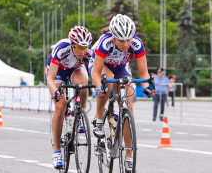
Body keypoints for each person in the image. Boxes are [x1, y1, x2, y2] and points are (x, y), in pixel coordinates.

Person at [89, 14, 155, 171]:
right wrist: (99, 87)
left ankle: (128, 156)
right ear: (113, 38)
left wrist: (146, 86)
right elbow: (97, 73)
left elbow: (143, 72)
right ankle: (99, 117)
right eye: (121, 40)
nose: (126, 44)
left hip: (121, 67)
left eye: (129, 39)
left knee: (129, 105)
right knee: (108, 79)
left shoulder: (136, 44)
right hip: (101, 66)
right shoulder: (105, 43)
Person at [47, 26, 92, 169]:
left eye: (84, 47)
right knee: (60, 106)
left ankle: (79, 116)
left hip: (74, 69)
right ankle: (56, 151)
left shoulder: (89, 52)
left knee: (83, 86)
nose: (82, 51)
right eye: (78, 48)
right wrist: (55, 91)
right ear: (72, 45)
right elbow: (50, 79)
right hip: (59, 70)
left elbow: (94, 71)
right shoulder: (61, 49)